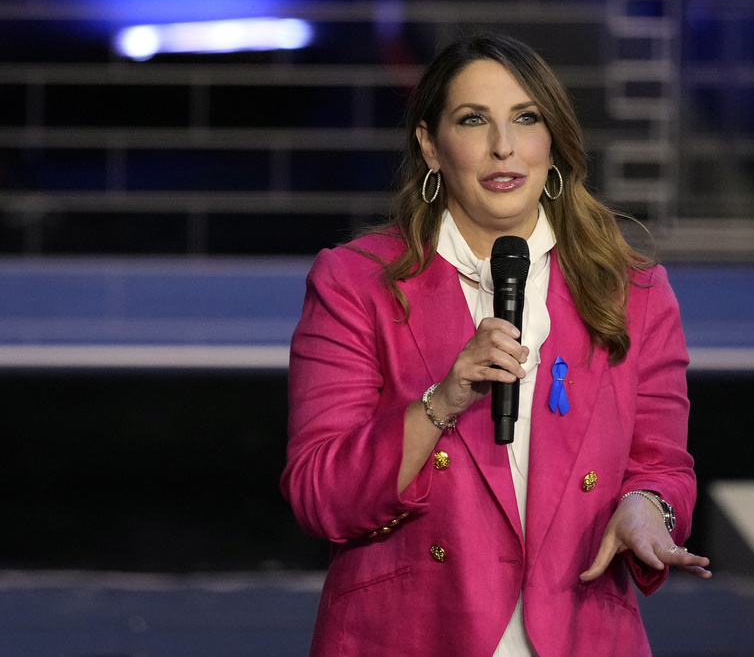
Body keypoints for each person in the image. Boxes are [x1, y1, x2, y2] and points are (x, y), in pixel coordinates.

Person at [281, 32, 710, 657]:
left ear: (552, 142)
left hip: (578, 631)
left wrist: (649, 508)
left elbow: (663, 466)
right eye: (473, 120)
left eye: (525, 118)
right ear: (431, 145)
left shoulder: (634, 292)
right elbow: (320, 495)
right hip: (410, 634)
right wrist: (442, 400)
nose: (503, 146)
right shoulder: (355, 283)